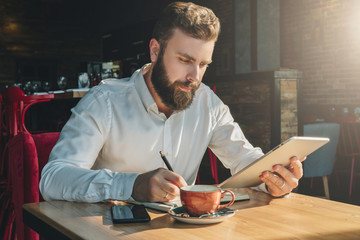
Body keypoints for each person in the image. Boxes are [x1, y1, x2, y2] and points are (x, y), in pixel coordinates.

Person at [40, 2, 304, 203]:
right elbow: (52, 179)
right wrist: (132, 185)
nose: (195, 77)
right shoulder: (104, 102)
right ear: (155, 50)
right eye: (185, 60)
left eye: (203, 64)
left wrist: (273, 179)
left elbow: (245, 159)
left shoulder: (207, 103)